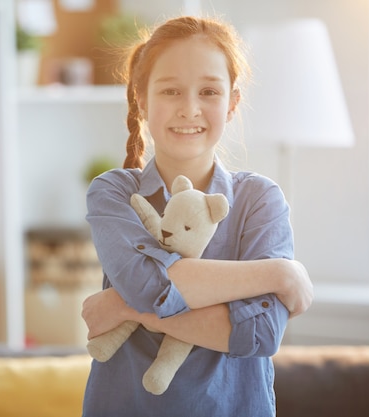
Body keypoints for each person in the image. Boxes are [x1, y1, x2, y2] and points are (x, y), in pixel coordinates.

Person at [80, 15, 314, 417]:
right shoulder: (115, 192)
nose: (189, 109)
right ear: (141, 98)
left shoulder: (260, 200)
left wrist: (124, 309)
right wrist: (280, 274)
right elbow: (147, 286)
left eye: (208, 91)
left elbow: (258, 334)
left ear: (232, 102)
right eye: (171, 90)